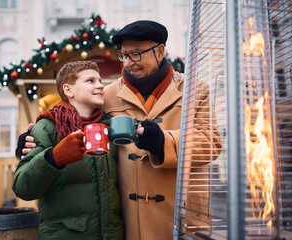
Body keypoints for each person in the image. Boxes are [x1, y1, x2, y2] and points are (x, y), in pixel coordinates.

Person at [16, 20, 221, 239]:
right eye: (124, 55)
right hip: (131, 223)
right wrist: (33, 138)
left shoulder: (194, 89)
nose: (129, 63)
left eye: (136, 54)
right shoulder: (107, 95)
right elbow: (74, 116)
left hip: (183, 216)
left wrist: (164, 141)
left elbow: (211, 143)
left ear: (160, 51)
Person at [12, 61, 124, 240]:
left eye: (100, 80)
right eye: (90, 81)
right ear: (69, 90)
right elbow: (23, 187)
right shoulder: (48, 127)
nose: (100, 85)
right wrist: (53, 158)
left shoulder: (110, 127)